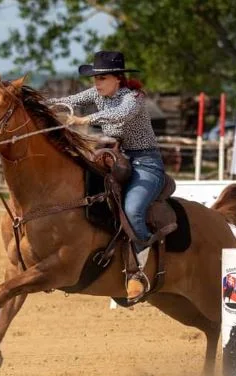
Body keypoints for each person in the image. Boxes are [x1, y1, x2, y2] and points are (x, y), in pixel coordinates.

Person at [47, 50, 165, 302]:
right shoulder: (96, 94)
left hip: (146, 161)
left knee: (133, 210)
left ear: (117, 79)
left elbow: (119, 115)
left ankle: (140, 271)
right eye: (95, 79)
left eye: (101, 79)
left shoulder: (133, 98)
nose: (96, 84)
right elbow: (68, 100)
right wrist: (38, 104)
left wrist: (85, 119)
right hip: (115, 157)